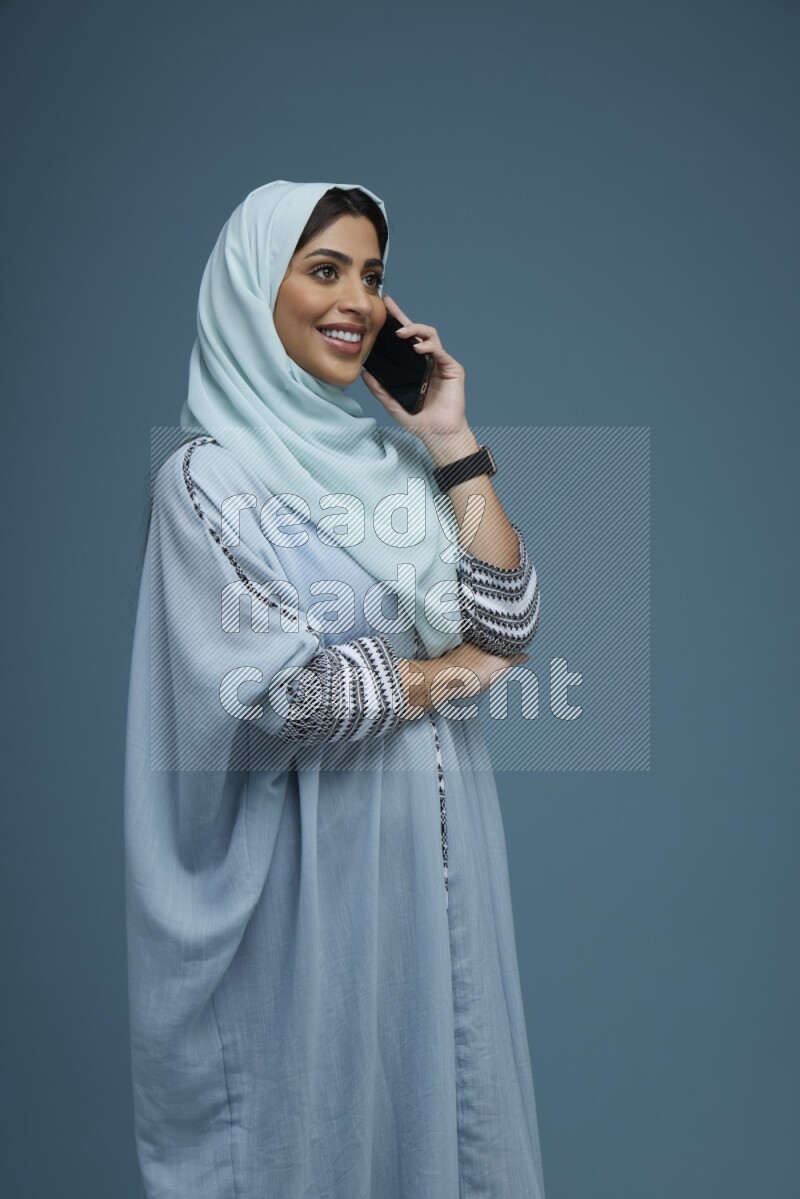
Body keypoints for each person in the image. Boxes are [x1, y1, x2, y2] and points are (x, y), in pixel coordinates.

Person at [124, 180, 546, 1198]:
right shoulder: (206, 482)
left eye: (372, 276)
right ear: (247, 290)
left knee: (452, 1122)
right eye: (323, 270)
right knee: (319, 1133)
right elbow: (286, 696)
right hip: (313, 878)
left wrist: (448, 434)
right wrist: (452, 674)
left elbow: (512, 617)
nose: (356, 298)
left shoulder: (396, 466)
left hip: (440, 864)